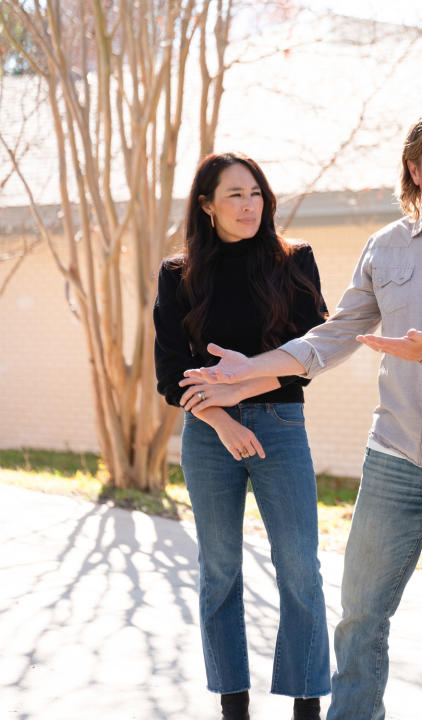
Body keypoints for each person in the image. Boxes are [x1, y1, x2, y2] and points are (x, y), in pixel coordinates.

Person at [183, 110, 422, 720]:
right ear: (415, 170)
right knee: (358, 614)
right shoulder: (384, 247)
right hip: (395, 457)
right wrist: (248, 370)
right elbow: (336, 333)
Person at [153, 152, 331, 720]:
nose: (248, 205)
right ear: (206, 206)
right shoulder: (179, 274)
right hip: (209, 436)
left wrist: (243, 386)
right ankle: (234, 703)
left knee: (300, 563)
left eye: (255, 193)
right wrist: (222, 418)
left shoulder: (294, 261)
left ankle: (306, 703)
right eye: (233, 195)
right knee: (220, 567)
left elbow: (314, 352)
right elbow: (169, 372)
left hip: (282, 428)